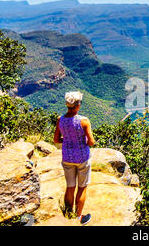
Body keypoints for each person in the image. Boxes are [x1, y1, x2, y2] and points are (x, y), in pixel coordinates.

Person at [54, 91, 95, 225]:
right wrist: (80, 140)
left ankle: (68, 213)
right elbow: (91, 141)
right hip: (82, 158)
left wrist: (68, 139)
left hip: (67, 157)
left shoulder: (60, 120)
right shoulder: (84, 121)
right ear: (78, 105)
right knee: (82, 187)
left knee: (70, 186)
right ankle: (78, 218)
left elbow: (56, 139)